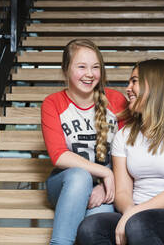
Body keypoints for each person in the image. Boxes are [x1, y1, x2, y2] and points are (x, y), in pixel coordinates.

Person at [76, 59, 164, 245]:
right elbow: (122, 192)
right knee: (91, 227)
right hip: (136, 216)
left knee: (138, 224)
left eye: (134, 81)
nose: (128, 88)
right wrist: (130, 212)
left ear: (155, 86)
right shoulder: (124, 135)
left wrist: (133, 215)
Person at [41, 39, 127, 245]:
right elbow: (59, 155)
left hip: (107, 187)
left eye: (95, 67)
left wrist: (108, 183)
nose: (89, 74)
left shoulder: (116, 100)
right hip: (65, 183)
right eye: (81, 67)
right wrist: (105, 172)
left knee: (95, 230)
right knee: (80, 177)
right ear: (65, 69)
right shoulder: (53, 103)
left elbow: (130, 152)